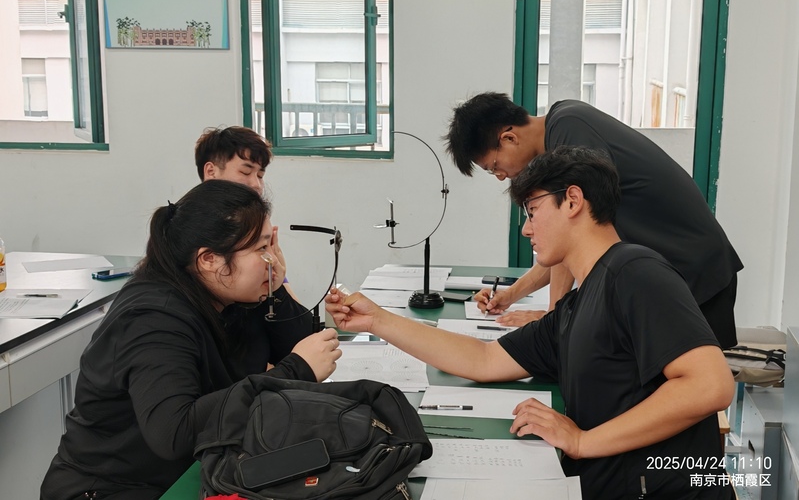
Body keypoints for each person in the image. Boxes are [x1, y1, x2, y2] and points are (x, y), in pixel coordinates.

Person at [326, 146, 735, 500]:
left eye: (533, 210)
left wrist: (582, 441)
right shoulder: (580, 302)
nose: (526, 228)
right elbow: (484, 360)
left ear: (572, 201)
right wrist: (378, 320)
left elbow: (710, 385)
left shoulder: (635, 273)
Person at [41, 180, 341, 499]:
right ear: (209, 259)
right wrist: (294, 370)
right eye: (261, 249)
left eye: (271, 246)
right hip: (113, 489)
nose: (272, 260)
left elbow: (301, 351)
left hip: (201, 470)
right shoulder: (153, 320)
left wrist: (276, 288)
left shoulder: (232, 295)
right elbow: (174, 433)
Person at [444, 92, 743, 348]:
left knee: (691, 386)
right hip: (675, 273)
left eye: (494, 167)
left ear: (509, 138)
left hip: (694, 271)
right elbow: (563, 244)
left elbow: (570, 231)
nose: (500, 176)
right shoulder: (563, 127)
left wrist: (553, 320)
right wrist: (511, 295)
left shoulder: (570, 130)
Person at [196, 125, 313, 368]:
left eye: (260, 175)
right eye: (245, 171)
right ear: (211, 171)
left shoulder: (259, 233)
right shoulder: (190, 232)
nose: (256, 185)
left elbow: (297, 334)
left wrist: (276, 285)